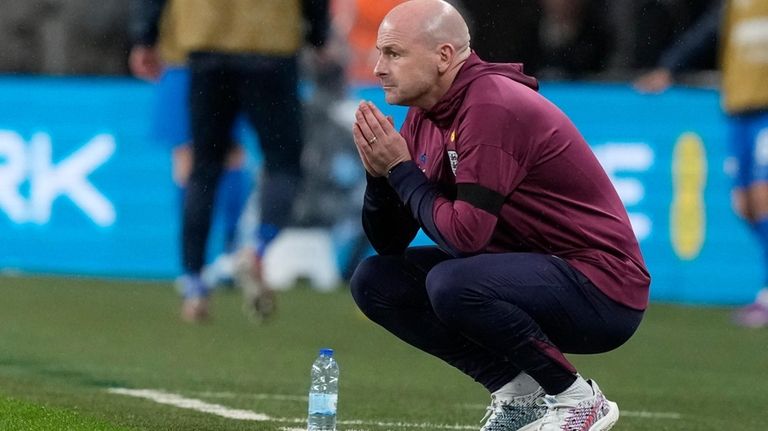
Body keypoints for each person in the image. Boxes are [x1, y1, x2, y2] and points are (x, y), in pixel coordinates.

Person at [349, 1, 650, 430]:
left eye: (394, 53)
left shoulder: (491, 107)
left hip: (604, 288)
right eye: (380, 53)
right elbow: (390, 243)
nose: (378, 67)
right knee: (376, 281)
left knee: (451, 283)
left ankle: (579, 400)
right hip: (532, 273)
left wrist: (401, 170)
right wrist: (380, 177)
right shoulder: (425, 114)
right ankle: (518, 394)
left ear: (444, 56)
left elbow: (465, 238)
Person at [129, 0, 330, 322]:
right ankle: (256, 249)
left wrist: (144, 36)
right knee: (283, 164)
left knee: (203, 165)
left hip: (204, 44)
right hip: (270, 46)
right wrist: (319, 34)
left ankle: (194, 283)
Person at [635, 0, 768, 328]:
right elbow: (705, 34)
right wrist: (670, 67)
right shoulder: (736, 5)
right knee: (744, 205)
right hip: (738, 110)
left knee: (763, 199)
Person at [128, 6, 250, 297]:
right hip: (242, 53)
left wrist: (145, 38)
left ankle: (194, 270)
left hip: (188, 55)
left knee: (189, 161)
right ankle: (233, 252)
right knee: (231, 154)